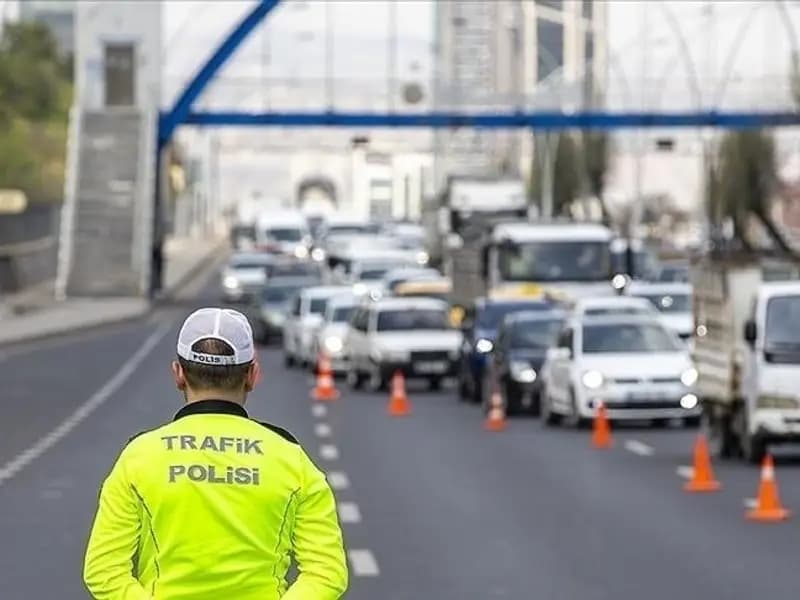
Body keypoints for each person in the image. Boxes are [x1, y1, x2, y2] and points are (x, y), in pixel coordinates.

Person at [83, 308, 348, 599]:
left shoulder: (139, 457)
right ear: (252, 375)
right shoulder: (291, 459)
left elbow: (103, 570)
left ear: (179, 374)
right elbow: (327, 572)